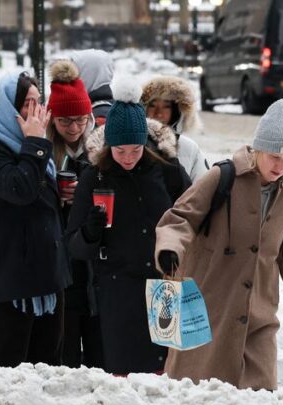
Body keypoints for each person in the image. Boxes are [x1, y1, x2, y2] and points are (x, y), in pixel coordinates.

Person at [154, 99, 283, 391]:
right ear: (259, 148)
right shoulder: (222, 177)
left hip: (258, 322)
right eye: (275, 156)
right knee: (198, 400)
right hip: (206, 314)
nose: (281, 166)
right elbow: (181, 217)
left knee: (258, 404)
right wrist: (170, 248)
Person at [66, 81, 191, 375]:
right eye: (120, 150)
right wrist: (91, 231)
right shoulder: (94, 177)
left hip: (164, 287)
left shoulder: (168, 171)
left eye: (135, 149)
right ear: (109, 146)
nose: (128, 158)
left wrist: (177, 249)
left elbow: (192, 220)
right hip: (118, 292)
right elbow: (73, 245)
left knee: (168, 375)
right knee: (123, 376)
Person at [0, 71, 70, 367]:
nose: (35, 111)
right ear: (5, 109)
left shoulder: (35, 151)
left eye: (38, 102)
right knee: (5, 377)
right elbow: (19, 190)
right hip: (8, 287)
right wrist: (35, 143)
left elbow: (38, 207)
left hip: (46, 282)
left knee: (48, 373)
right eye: (26, 104)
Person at [45, 58, 104, 369]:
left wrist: (85, 195)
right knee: (63, 347)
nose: (74, 128)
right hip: (58, 258)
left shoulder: (99, 150)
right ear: (52, 119)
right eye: (65, 121)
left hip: (92, 257)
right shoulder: (44, 151)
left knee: (98, 351)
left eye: (81, 120)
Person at [141, 75, 208, 181]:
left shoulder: (189, 148)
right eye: (153, 105)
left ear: (176, 111)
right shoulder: (132, 145)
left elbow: (202, 186)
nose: (159, 113)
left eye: (166, 107)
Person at [68, 49, 115, 126]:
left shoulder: (99, 117)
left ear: (87, 76)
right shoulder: (110, 108)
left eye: (73, 75)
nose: (68, 81)